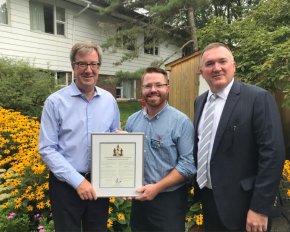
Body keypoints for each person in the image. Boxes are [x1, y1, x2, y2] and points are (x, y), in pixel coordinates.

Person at [193, 42, 285, 231]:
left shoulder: (258, 98)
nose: (216, 68)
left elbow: (273, 155)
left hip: (245, 207)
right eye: (209, 64)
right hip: (210, 201)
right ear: (202, 71)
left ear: (233, 66)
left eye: (222, 61)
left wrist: (259, 208)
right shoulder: (200, 102)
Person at [38, 41, 120, 231]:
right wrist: (78, 181)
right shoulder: (55, 102)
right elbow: (47, 148)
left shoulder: (109, 100)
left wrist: (119, 140)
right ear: (73, 66)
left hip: (100, 185)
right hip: (65, 185)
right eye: (82, 64)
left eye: (94, 64)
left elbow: (112, 139)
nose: (88, 70)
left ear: (99, 67)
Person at [125, 67, 196, 231]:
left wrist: (157, 188)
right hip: (139, 198)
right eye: (148, 86)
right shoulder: (132, 121)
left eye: (159, 85)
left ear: (167, 88)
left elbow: (188, 165)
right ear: (141, 89)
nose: (153, 90)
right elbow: (127, 160)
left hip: (168, 200)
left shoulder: (181, 122)